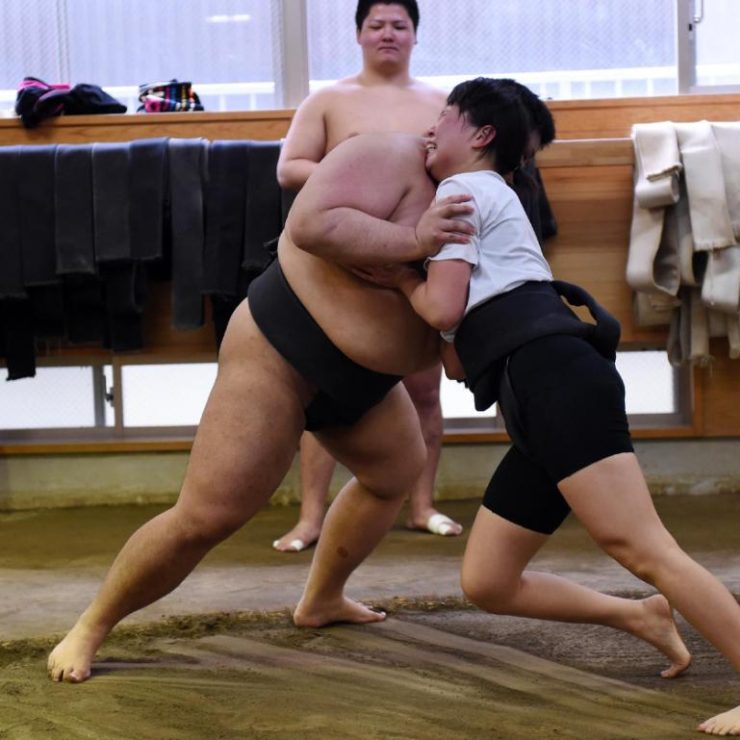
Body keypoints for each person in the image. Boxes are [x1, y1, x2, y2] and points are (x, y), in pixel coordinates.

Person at [380, 77, 740, 736]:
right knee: (488, 580)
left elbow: (438, 306)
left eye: (444, 116)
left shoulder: (460, 191)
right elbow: (458, 354)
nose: (430, 128)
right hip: (533, 393)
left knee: (640, 546)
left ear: (481, 134)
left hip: (555, 379)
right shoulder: (486, 201)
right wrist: (426, 287)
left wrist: (400, 270)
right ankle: (639, 615)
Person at [46, 125, 477, 684]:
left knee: (394, 472)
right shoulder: (387, 151)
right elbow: (312, 223)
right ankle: (89, 626)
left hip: (365, 381)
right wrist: (412, 245)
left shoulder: (483, 205)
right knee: (207, 515)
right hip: (280, 348)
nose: (433, 127)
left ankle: (321, 600)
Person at [272, 0, 461, 552]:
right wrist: (364, 179)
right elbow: (290, 168)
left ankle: (421, 505)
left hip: (417, 258)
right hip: (343, 260)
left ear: (414, 36)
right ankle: (311, 518)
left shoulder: (442, 103)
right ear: (358, 34)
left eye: (399, 25)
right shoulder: (328, 99)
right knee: (328, 390)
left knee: (425, 388)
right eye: (376, 24)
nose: (387, 33)